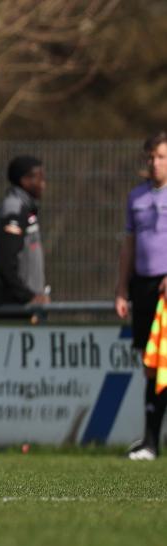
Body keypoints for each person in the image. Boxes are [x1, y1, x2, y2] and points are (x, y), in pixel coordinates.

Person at [115, 131, 167, 461]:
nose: (155, 163)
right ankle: (149, 441)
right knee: (151, 365)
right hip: (144, 288)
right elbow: (129, 246)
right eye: (150, 157)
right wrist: (121, 289)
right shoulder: (137, 197)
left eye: (161, 157)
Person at [0, 156, 50, 320]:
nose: (43, 183)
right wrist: (27, 296)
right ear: (25, 180)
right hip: (15, 308)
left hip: (25, 307)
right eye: (39, 177)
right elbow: (4, 260)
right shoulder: (14, 208)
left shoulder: (26, 207)